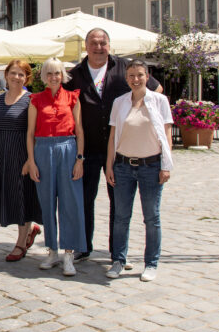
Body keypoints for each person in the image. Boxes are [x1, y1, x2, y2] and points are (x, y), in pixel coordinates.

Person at [66, 28, 162, 263]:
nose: (99, 47)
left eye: (103, 43)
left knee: (118, 204)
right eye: (94, 43)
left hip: (118, 149)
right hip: (86, 149)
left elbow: (156, 89)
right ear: (86, 46)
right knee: (84, 200)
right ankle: (83, 247)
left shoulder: (125, 67)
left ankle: (116, 251)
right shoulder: (74, 74)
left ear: (109, 45)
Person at [105, 60, 173, 282]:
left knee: (151, 218)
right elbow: (112, 136)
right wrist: (109, 165)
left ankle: (151, 263)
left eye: (140, 75)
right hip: (123, 166)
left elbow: (167, 134)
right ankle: (118, 260)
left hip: (151, 166)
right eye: (132, 75)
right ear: (126, 78)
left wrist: (166, 165)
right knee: (121, 217)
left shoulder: (160, 101)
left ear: (147, 77)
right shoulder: (119, 102)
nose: (136, 79)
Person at [25, 57, 85, 277]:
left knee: (70, 203)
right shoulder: (35, 99)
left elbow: (79, 130)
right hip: (43, 150)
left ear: (62, 75)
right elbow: (30, 133)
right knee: (47, 203)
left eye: (57, 73)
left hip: (68, 149)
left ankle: (69, 253)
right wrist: (31, 161)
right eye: (49, 73)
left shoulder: (72, 97)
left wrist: (79, 159)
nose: (53, 77)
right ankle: (52, 251)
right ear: (44, 76)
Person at [0, 60, 42, 262]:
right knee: (10, 195)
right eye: (13, 73)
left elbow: (35, 132)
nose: (16, 77)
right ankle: (30, 231)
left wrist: (31, 159)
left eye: (21, 74)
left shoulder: (31, 100)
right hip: (2, 153)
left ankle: (21, 243)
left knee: (23, 196)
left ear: (26, 78)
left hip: (22, 153)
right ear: (6, 75)